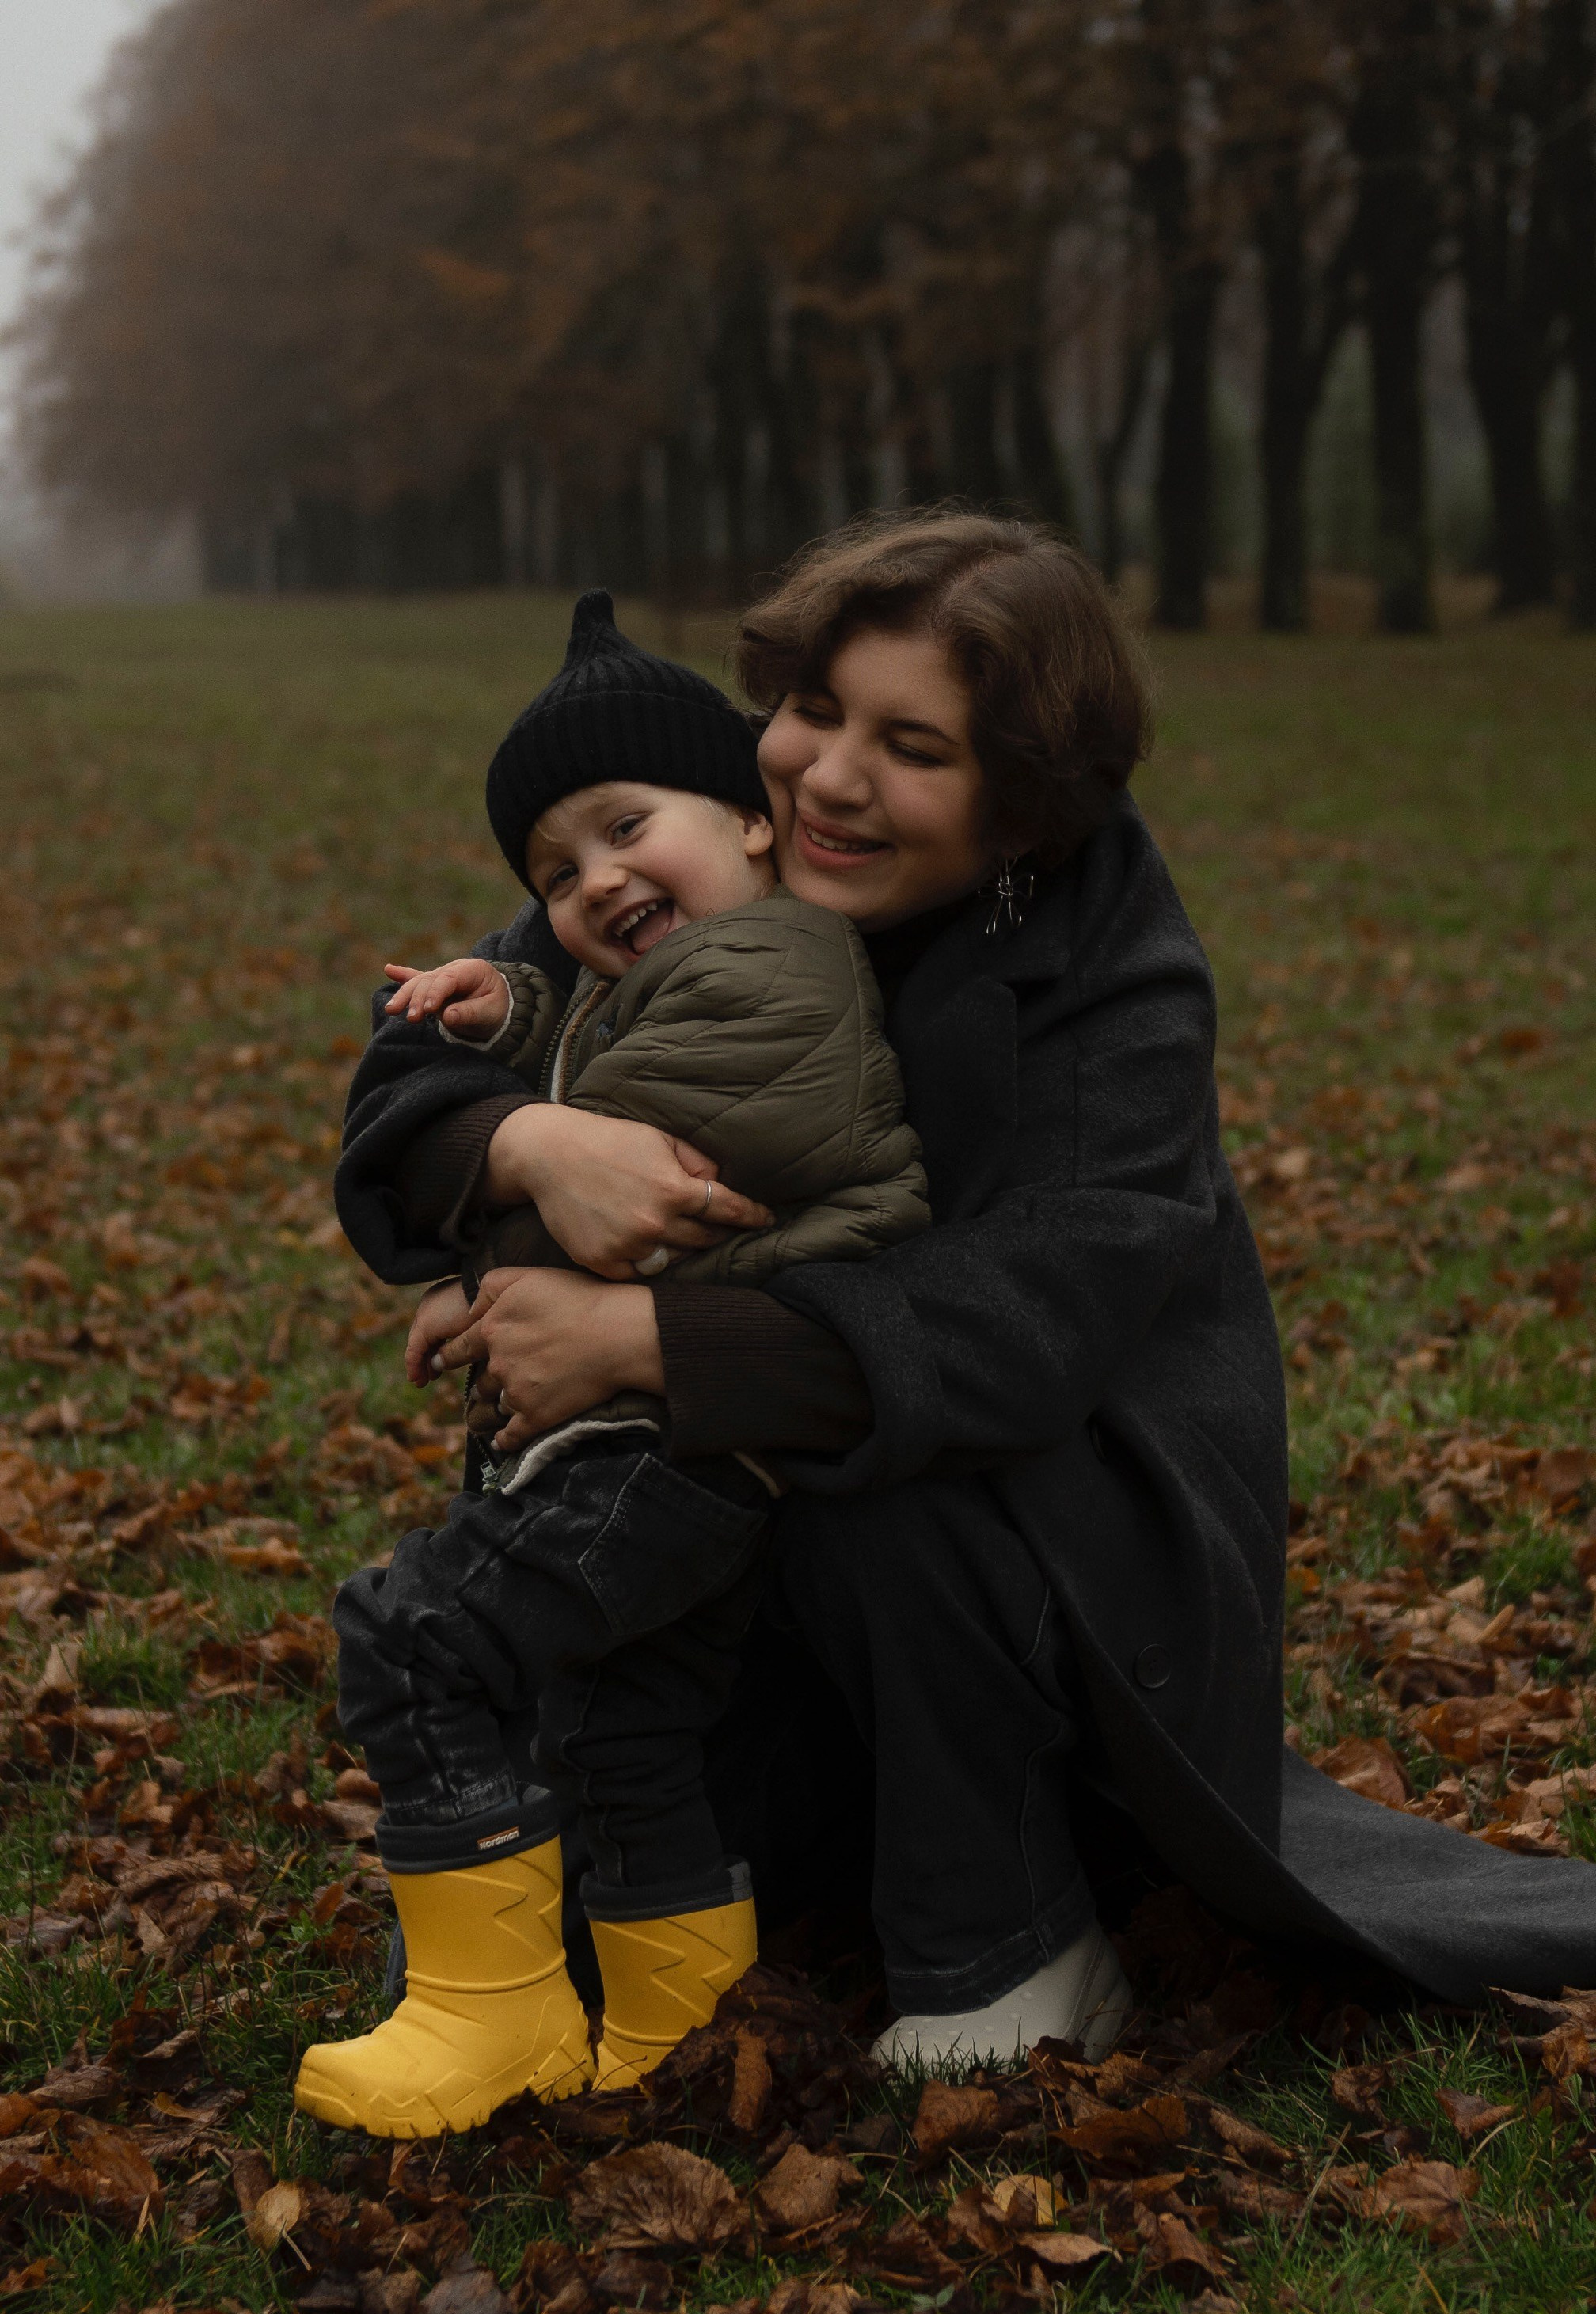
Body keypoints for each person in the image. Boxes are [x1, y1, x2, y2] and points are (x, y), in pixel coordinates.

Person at [336, 508, 1596, 2075]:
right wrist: (525, 1141)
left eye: (911, 746)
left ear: (1020, 807)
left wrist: (646, 1337)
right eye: (811, 712)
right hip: (742, 1500)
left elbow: (1022, 1322)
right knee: (603, 1801)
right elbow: (420, 1065)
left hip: (1056, 1505)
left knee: (880, 1471)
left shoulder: (1103, 960)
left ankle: (1009, 1939)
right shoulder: (696, 844)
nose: (829, 778)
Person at [295, 594, 928, 2139]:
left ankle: (487, 2013)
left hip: (655, 1445)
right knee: (625, 1727)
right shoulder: (705, 958)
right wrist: (507, 1006)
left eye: (627, 826)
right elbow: (600, 1039)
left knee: (421, 1636)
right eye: (555, 874)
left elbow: (668, 1120)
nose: (595, 882)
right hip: (697, 1450)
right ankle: (677, 2030)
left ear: (758, 822)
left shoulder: (787, 976)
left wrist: (508, 1249)